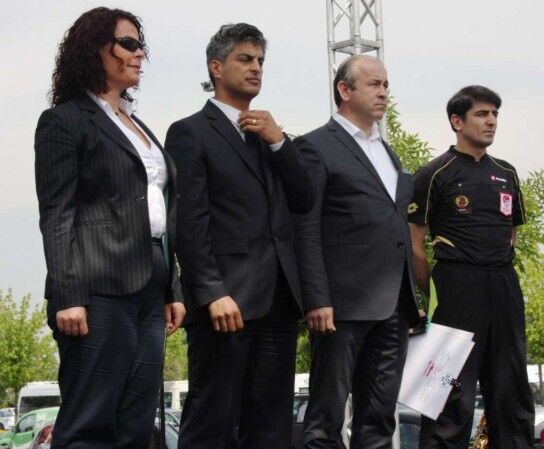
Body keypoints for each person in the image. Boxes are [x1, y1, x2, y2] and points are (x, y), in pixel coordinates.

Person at [34, 7, 185, 449]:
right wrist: (69, 296)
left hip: (149, 285)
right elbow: (57, 213)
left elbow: (158, 210)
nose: (140, 55)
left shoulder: (137, 125)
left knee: (135, 426)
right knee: (90, 424)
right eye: (129, 44)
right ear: (95, 49)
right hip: (96, 289)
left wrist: (172, 288)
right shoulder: (64, 120)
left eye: (142, 46)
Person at [165, 23, 314, 449]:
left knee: (271, 428)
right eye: (245, 59)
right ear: (216, 67)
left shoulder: (269, 135)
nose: (256, 68)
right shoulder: (190, 132)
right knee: (212, 423)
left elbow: (304, 199)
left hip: (279, 302)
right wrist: (211, 291)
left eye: (261, 61)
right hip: (225, 303)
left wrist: (280, 142)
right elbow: (188, 222)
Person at [293, 54, 420, 449]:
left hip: (394, 307)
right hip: (340, 308)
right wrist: (316, 298)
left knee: (379, 420)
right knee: (326, 419)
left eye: (386, 85)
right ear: (344, 90)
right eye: (374, 84)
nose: (383, 92)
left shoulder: (388, 152)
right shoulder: (314, 146)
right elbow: (306, 228)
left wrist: (411, 299)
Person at [408, 85, 535, 449]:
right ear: (457, 122)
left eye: (495, 114)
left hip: (503, 284)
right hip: (456, 285)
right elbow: (414, 247)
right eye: (482, 114)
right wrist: (438, 292)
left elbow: (510, 235)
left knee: (512, 390)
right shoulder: (434, 172)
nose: (491, 121)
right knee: (451, 394)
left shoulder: (507, 172)